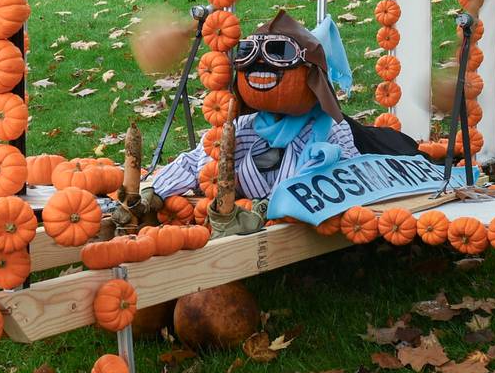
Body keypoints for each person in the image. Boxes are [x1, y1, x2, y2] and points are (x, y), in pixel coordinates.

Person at [144, 12, 360, 219]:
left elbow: (353, 174)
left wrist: (280, 201)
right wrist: (156, 191)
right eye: (247, 52)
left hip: (297, 224)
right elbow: (196, 163)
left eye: (278, 51)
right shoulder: (243, 128)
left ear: (312, 76)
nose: (260, 64)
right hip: (239, 222)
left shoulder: (329, 130)